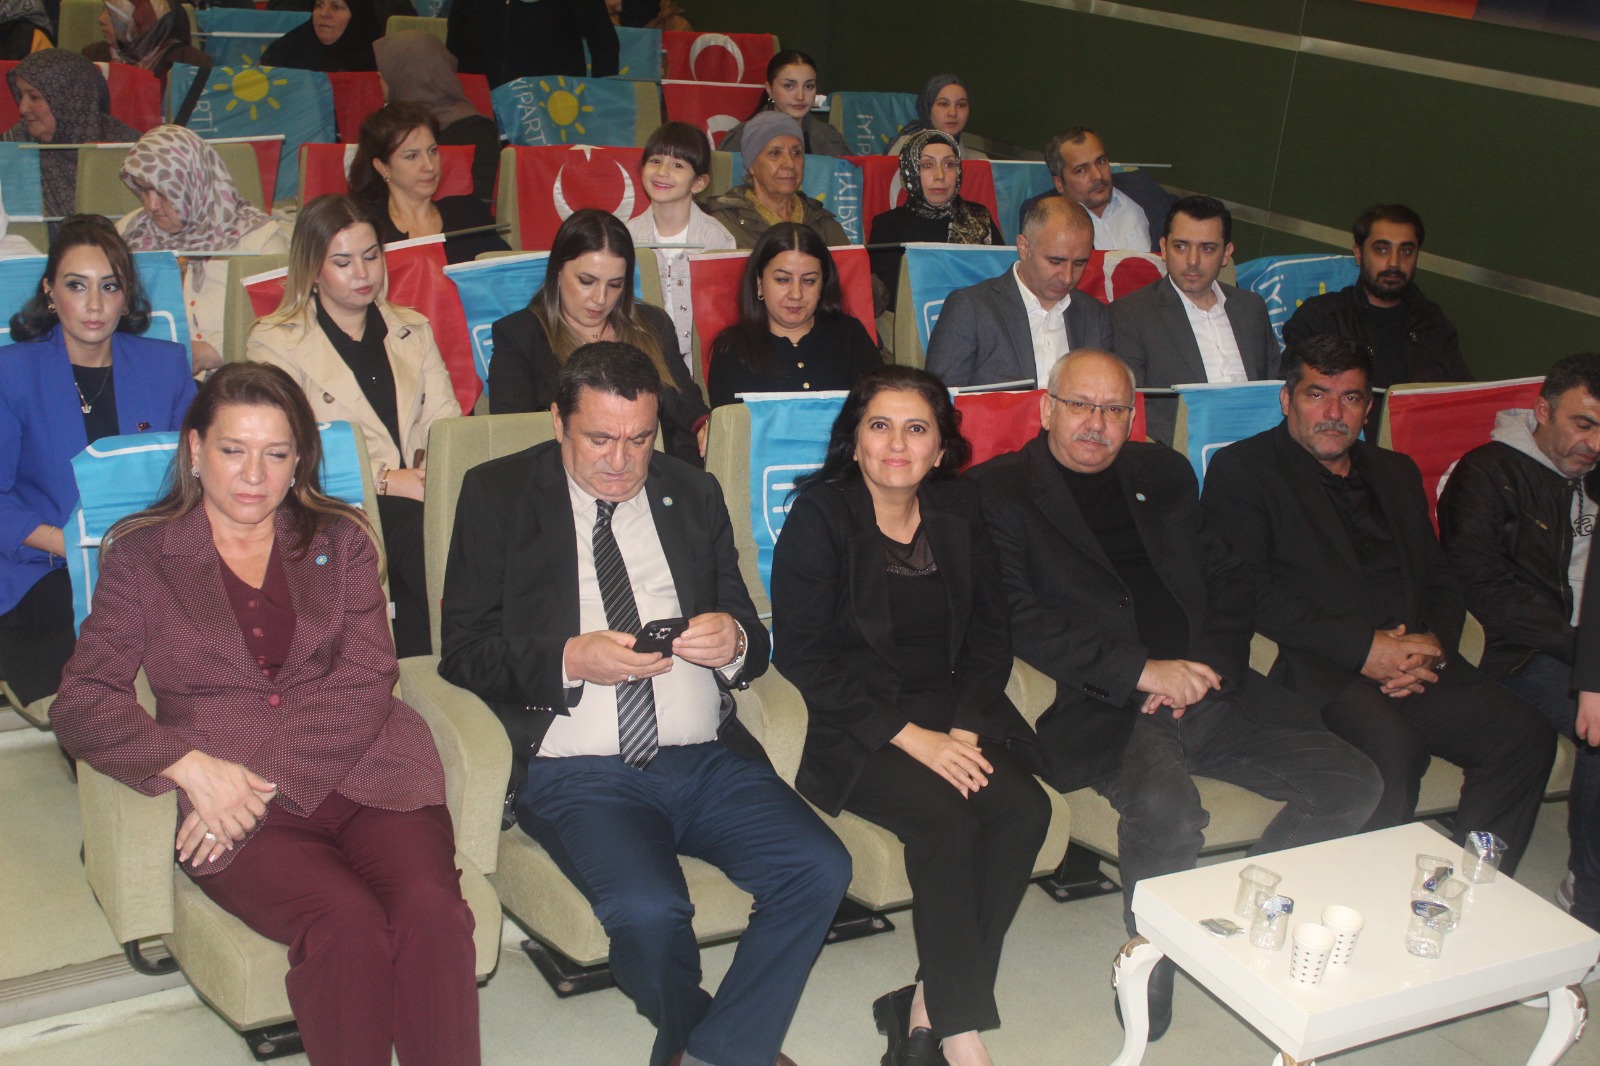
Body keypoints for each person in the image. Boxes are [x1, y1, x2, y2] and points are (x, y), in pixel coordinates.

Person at [51, 362, 480, 1066]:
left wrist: (262, 780)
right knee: (345, 923)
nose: (254, 475)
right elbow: (83, 699)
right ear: (196, 449)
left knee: (433, 914)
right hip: (230, 804)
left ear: (299, 460)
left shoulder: (340, 539)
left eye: (276, 453)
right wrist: (187, 765)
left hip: (371, 774)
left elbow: (368, 676)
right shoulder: (143, 555)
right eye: (233, 450)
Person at [438, 342, 851, 1066]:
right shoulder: (498, 494)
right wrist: (570, 658)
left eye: (639, 439)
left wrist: (734, 641)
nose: (621, 461)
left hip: (706, 759)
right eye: (600, 438)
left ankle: (716, 1052)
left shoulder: (690, 493)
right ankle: (716, 1042)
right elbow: (463, 652)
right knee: (649, 912)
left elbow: (750, 630)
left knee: (819, 866)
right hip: (579, 771)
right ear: (559, 422)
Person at [969, 349, 1380, 1041]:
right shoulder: (995, 492)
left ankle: (1246, 918)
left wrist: (1206, 667)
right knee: (1167, 811)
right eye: (1080, 405)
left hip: (1208, 690)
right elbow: (1017, 616)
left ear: (1133, 416)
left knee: (1353, 782)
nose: (1096, 423)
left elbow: (1231, 577)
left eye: (1113, 410)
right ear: (1046, 409)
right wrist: (1141, 671)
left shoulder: (1160, 474)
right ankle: (1150, 966)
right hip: (1106, 703)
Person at [772, 365, 1049, 1066]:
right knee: (948, 822)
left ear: (940, 447)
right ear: (855, 440)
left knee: (1025, 811)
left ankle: (926, 1001)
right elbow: (804, 657)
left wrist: (965, 726)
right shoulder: (820, 517)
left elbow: (992, 633)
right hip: (857, 724)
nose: (897, 444)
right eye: (880, 426)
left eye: (916, 428)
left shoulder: (961, 507)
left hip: (951, 717)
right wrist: (912, 739)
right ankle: (959, 1035)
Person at [1201, 335, 1555, 875]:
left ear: (1369, 407)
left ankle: (1468, 888)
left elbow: (1440, 574)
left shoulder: (1395, 471)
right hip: (1320, 666)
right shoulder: (1244, 470)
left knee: (1524, 736)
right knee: (1393, 753)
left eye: (1351, 398)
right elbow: (1247, 590)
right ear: (1287, 399)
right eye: (1317, 394)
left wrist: (1432, 646)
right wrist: (1364, 649)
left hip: (1416, 658)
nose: (1333, 413)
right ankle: (1357, 896)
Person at [245, 194, 460, 659]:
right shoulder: (275, 341)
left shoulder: (412, 329)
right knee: (421, 533)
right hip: (331, 499)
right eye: (343, 263)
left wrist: (431, 475)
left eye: (371, 256)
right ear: (312, 269)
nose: (363, 274)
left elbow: (445, 422)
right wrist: (385, 480)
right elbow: (284, 449)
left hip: (422, 492)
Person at [0, 213, 194, 707]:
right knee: (96, 695)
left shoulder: (165, 365)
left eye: (109, 287)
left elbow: (199, 475)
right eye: (76, 285)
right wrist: (73, 547)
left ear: (126, 296)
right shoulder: (12, 373)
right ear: (49, 292)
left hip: (154, 566)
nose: (94, 304)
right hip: (46, 568)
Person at [1438, 352, 1600, 931]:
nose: (1595, 444)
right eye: (1583, 424)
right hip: (1523, 651)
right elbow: (1484, 588)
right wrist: (1585, 653)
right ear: (1542, 411)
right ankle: (1588, 897)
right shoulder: (1487, 473)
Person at [488, 208, 709, 465]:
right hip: (564, 474)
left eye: (615, 284)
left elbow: (687, 404)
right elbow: (511, 434)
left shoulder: (652, 325)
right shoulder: (519, 335)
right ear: (557, 271)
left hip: (656, 470)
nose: (601, 298)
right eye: (587, 281)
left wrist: (706, 426)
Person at [116, 125, 289, 374]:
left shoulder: (259, 239)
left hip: (237, 379)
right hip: (145, 374)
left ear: (193, 182)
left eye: (163, 191)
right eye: (143, 189)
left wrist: (214, 352)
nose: (151, 205)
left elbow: (283, 322)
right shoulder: (130, 232)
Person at [1108, 195, 1281, 443]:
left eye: (1207, 248)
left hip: (1259, 442)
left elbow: (1275, 388)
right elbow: (1133, 406)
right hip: (1183, 448)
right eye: (1181, 246)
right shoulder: (1131, 314)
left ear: (1226, 254)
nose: (1192, 261)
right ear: (1163, 248)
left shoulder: (1251, 307)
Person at [924, 196, 1110, 389]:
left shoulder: (1095, 315)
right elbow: (939, 399)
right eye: (1055, 262)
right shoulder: (971, 309)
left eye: (1079, 263)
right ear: (1023, 247)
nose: (1067, 277)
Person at [1283, 204, 1470, 393]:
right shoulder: (1321, 318)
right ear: (1359, 254)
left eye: (1405, 251)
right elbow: (1290, 394)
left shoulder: (1432, 322)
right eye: (1381, 250)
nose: (1394, 263)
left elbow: (1464, 397)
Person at [707, 222, 880, 408]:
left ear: (823, 285)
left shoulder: (850, 335)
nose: (796, 294)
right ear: (759, 283)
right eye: (783, 280)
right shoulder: (732, 347)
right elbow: (729, 422)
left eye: (809, 281)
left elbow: (879, 408)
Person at [625, 122, 736, 373]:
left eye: (677, 165)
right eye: (655, 161)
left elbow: (724, 315)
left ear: (699, 182)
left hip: (700, 367)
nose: (662, 172)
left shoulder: (717, 239)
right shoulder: (627, 237)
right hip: (640, 365)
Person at [348, 103, 507, 266]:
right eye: (412, 156)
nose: (429, 166)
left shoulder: (469, 213)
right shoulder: (366, 229)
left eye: (432, 151)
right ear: (383, 167)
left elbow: (511, 272)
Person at [1, 50, 140, 230]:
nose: (22, 108)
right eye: (21, 96)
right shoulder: (14, 146)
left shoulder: (128, 151)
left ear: (68, 99)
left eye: (34, 97)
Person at [867, 129, 1000, 309]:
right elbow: (891, 295)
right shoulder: (888, 226)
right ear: (910, 171)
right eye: (927, 165)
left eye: (949, 165)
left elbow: (1001, 278)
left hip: (978, 316)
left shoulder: (978, 216)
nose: (940, 176)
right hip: (918, 320)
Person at [374, 30, 500, 204]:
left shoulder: (476, 131)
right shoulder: (385, 124)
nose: (378, 80)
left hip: (456, 219)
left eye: (385, 75)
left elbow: (482, 200)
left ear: (404, 77)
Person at [703, 111, 849, 251]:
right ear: (751, 165)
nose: (790, 163)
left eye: (796, 152)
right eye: (775, 153)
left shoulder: (825, 225)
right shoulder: (721, 225)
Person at [1016, 127, 1174, 254]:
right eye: (1081, 170)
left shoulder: (1143, 187)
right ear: (1059, 183)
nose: (1097, 176)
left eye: (1101, 162)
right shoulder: (1042, 214)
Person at [447, 0, 616, 88]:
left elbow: (604, 42)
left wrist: (598, 97)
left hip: (551, 108)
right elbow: (454, 46)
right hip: (481, 106)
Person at [719, 50, 849, 158]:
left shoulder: (831, 138)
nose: (800, 96)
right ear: (770, 90)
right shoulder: (741, 139)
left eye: (808, 86)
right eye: (789, 86)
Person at [83, 0, 209, 88]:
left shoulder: (190, 63)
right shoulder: (95, 55)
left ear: (142, 21)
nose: (101, 19)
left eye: (112, 14)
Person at [259, 0, 380, 72]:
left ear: (357, 16)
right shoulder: (283, 52)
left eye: (336, 7)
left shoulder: (378, 58)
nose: (324, 13)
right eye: (319, 5)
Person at [887, 74, 984, 160]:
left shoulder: (980, 161)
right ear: (928, 109)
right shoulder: (904, 149)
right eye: (943, 104)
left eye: (961, 105)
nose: (953, 113)